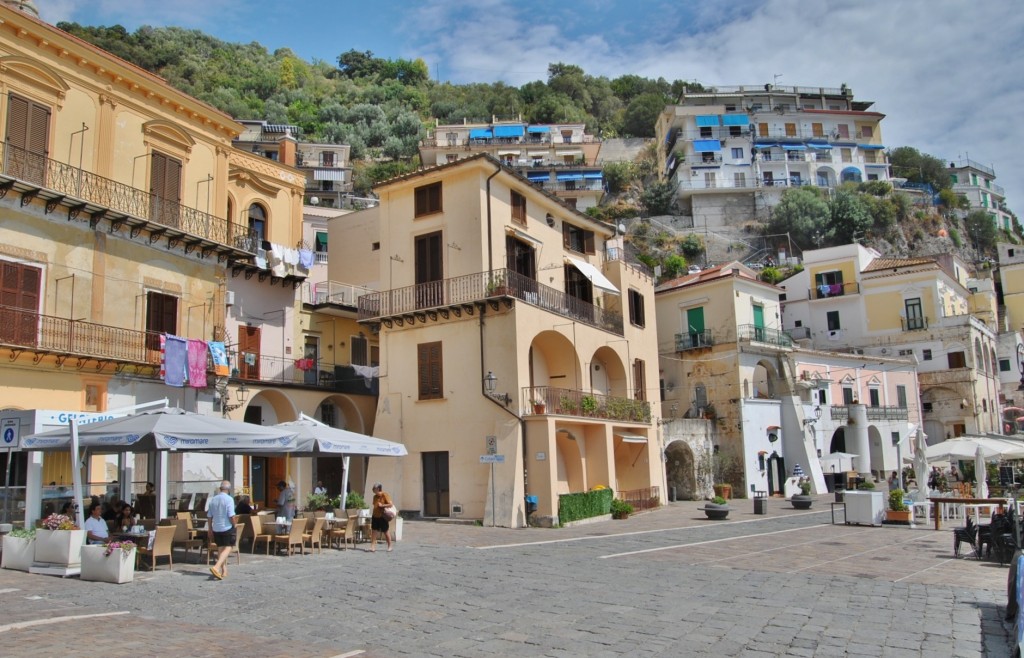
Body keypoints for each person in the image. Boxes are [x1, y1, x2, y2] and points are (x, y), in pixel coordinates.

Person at [207, 480, 237, 580]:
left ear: (220, 489)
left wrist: (210, 529)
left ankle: (224, 571)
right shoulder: (229, 499)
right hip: (226, 527)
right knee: (229, 547)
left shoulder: (213, 499)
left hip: (216, 527)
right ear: (229, 490)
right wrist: (235, 525)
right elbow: (231, 515)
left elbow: (209, 516)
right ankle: (216, 567)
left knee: (220, 548)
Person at [369, 482, 393, 553]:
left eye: (374, 488)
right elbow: (375, 505)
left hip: (382, 516)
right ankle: (372, 547)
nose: (373, 489)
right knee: (374, 531)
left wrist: (382, 505)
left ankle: (390, 546)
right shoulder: (374, 497)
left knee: (385, 531)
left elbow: (391, 504)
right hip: (375, 516)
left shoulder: (385, 495)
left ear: (378, 489)